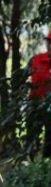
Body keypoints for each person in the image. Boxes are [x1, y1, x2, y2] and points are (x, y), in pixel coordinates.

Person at [27, 29, 51, 158]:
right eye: (49, 42)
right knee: (31, 135)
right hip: (34, 103)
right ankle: (30, 161)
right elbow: (23, 78)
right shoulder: (36, 59)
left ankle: (45, 165)